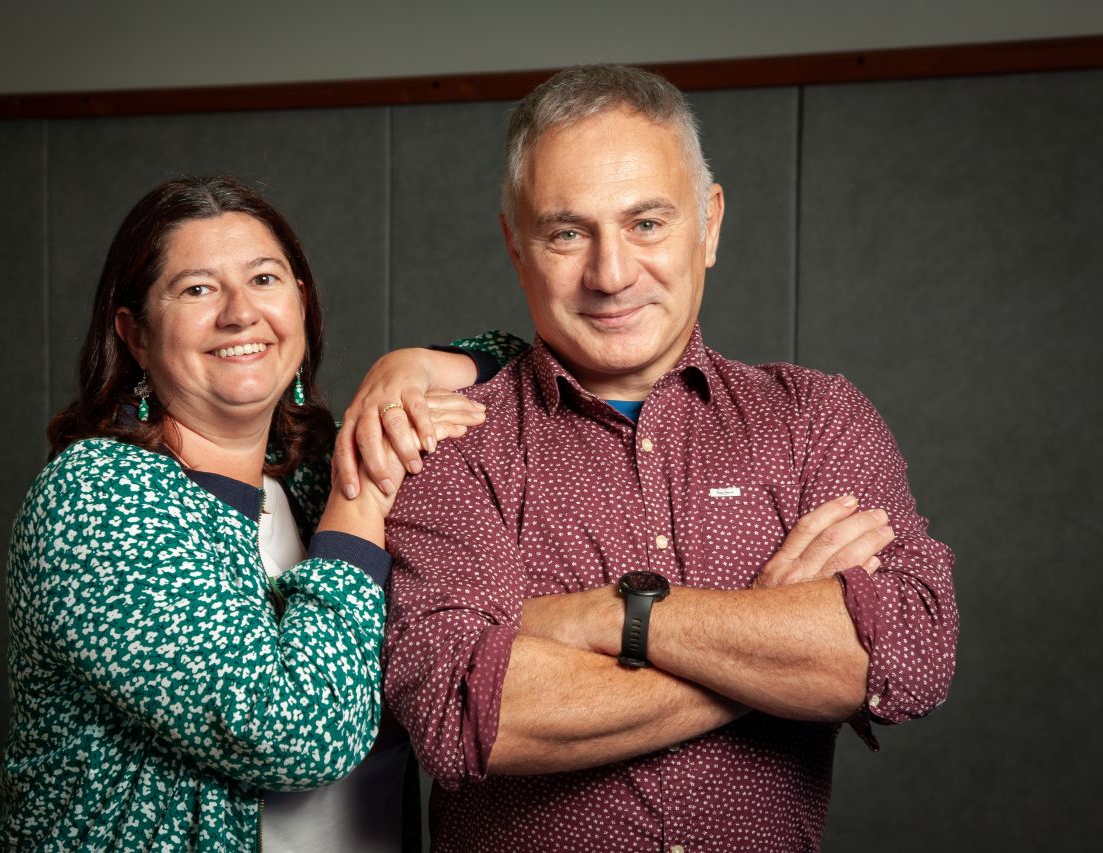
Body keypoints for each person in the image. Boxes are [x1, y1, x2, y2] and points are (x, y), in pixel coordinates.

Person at [382, 65, 958, 851]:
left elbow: (905, 653)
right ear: (516, 246)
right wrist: (765, 644)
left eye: (646, 222)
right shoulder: (446, 442)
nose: (611, 273)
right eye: (566, 232)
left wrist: (617, 618)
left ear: (709, 224)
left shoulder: (815, 419)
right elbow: (465, 713)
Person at [0, 175, 519, 851]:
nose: (240, 313)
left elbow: (517, 360)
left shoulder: (305, 476)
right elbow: (296, 736)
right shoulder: (97, 497)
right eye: (198, 288)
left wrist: (406, 368)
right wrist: (361, 491)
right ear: (136, 334)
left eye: (264, 279)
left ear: (301, 304)